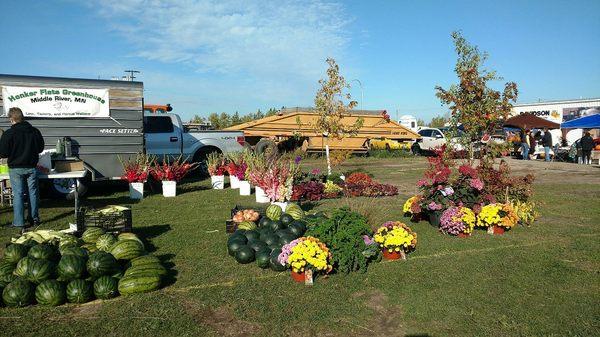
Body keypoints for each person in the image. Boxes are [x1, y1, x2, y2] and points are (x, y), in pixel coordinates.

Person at [0, 107, 45, 233]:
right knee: (33, 193)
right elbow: (40, 148)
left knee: (18, 194)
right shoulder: (34, 131)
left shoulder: (9, 133)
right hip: (31, 167)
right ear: (22, 117)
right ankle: (34, 218)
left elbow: (3, 153)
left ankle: (19, 222)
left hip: (16, 168)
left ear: (12, 119)